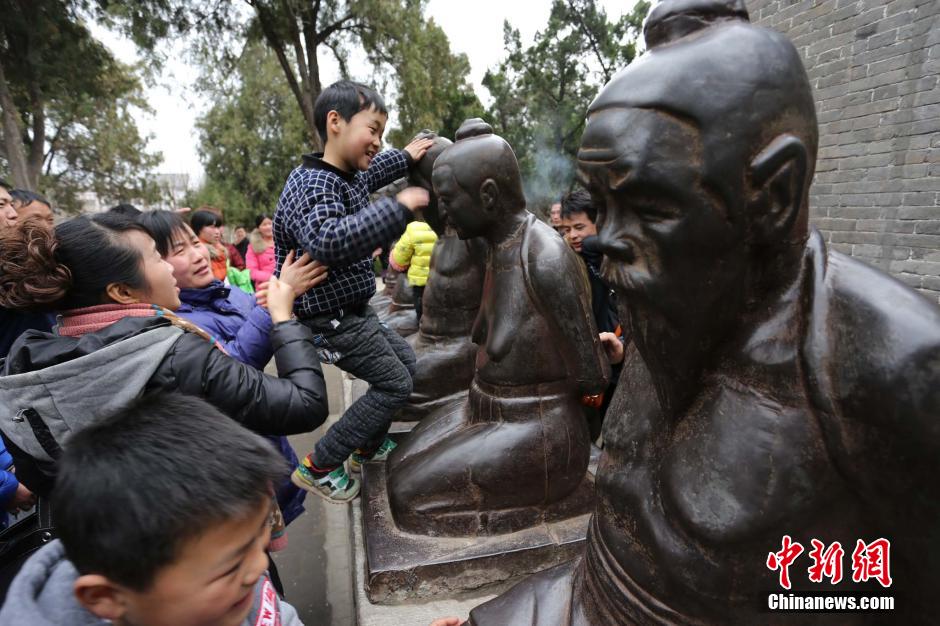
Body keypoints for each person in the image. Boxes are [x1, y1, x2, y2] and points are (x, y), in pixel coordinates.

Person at [0, 212, 328, 498]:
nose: (169, 267)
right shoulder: (169, 355)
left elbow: (41, 478)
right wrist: (283, 317)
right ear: (122, 292)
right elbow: (304, 404)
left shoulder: (32, 367)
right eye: (158, 257)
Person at [0, 393, 303, 626]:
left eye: (259, 541)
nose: (258, 568)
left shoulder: (233, 579)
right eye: (232, 567)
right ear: (106, 597)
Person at [274, 79, 433, 503]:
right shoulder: (312, 185)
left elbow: (377, 170)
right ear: (335, 122)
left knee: (404, 364)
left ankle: (365, 447)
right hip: (328, 318)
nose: (378, 142)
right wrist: (397, 209)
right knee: (395, 384)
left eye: (383, 133)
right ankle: (321, 464)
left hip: (352, 309)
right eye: (373, 129)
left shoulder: (347, 175)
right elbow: (328, 239)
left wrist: (406, 155)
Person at [138, 209, 327, 530]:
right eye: (178, 251)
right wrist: (274, 309)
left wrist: (271, 297)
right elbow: (229, 369)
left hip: (262, 441)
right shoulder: (175, 324)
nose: (199, 254)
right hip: (239, 464)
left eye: (195, 243)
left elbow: (249, 315)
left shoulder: (217, 291)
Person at [559, 188, 623, 440]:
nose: (573, 236)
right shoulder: (574, 260)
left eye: (579, 227)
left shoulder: (618, 259)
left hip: (623, 362)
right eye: (566, 230)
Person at [390, 214, 437, 322]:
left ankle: (421, 325)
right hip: (440, 279)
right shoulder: (446, 227)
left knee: (421, 306)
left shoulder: (413, 229)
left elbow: (399, 259)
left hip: (420, 281)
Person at [192, 208, 246, 279]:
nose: (217, 232)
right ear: (198, 228)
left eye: (218, 227)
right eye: (212, 227)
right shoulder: (197, 253)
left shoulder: (222, 250)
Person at [245, 214, 277, 290]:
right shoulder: (253, 246)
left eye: (270, 223)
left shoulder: (282, 241)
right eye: (264, 224)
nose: (268, 227)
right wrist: (272, 277)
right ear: (258, 228)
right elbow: (252, 272)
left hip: (285, 285)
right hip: (265, 288)